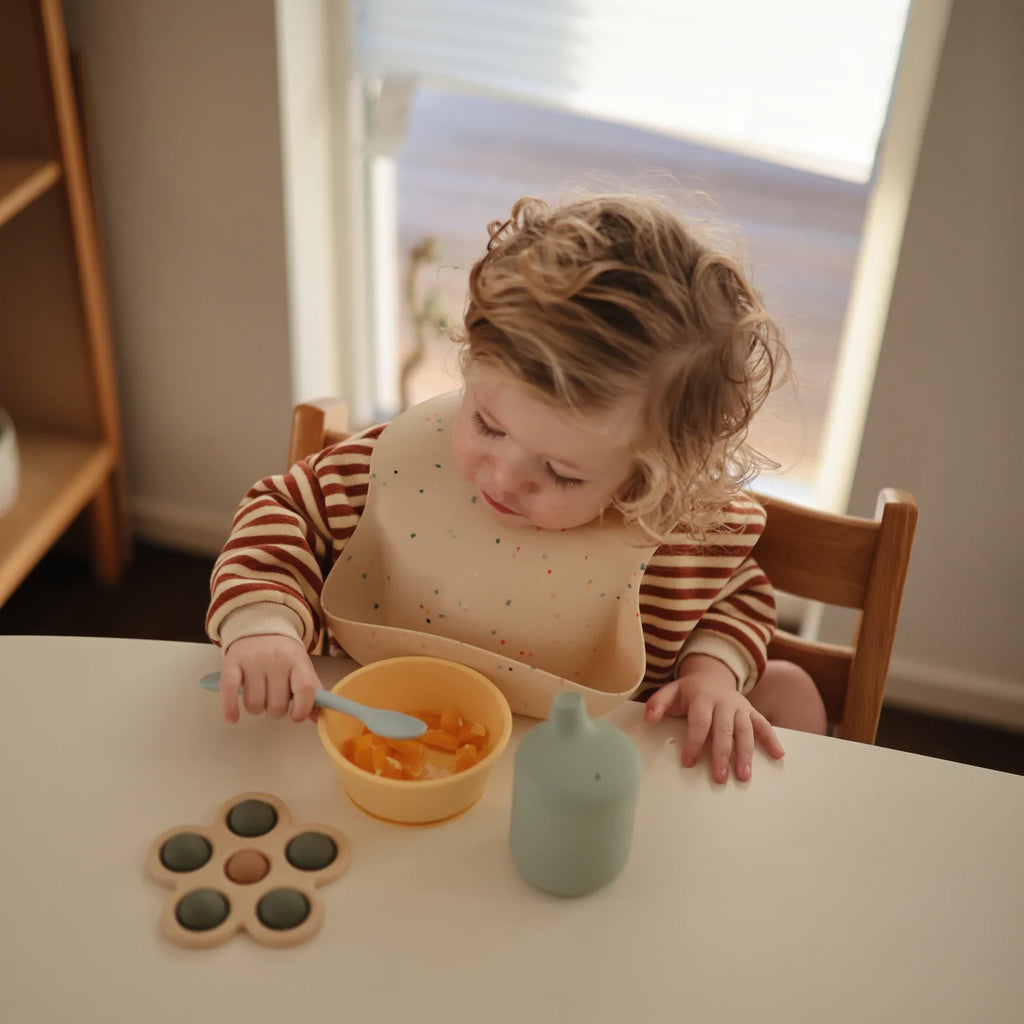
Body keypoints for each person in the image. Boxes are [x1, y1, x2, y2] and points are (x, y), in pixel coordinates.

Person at [207, 193, 827, 783]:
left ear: (650, 478)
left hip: (567, 779)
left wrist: (712, 672)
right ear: (471, 364)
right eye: (486, 424)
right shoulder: (393, 472)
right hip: (374, 745)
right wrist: (264, 624)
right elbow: (282, 507)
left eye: (560, 473)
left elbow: (736, 593)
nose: (501, 477)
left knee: (790, 688)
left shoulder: (673, 535)